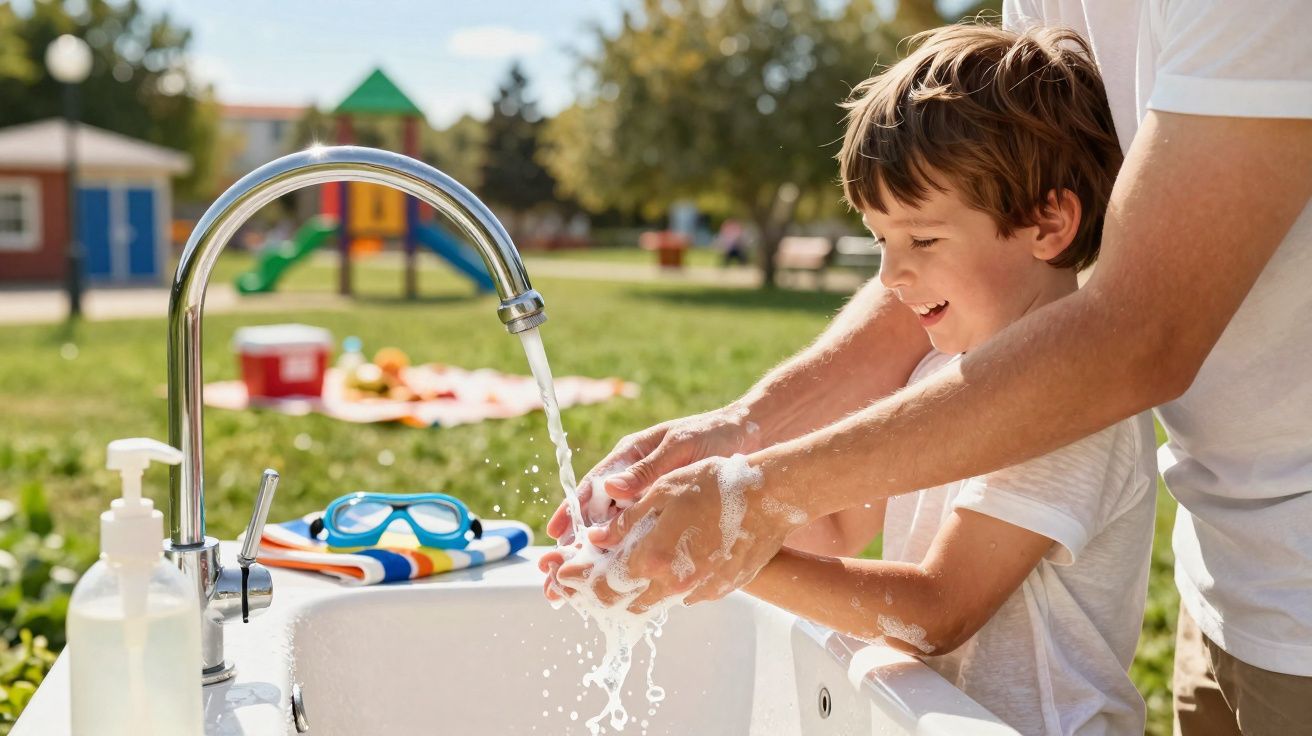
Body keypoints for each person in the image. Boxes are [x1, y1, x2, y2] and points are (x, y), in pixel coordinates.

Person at [549, 1, 1312, 732]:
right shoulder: (939, 373)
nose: (889, 278)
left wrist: (728, 544)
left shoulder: (1065, 411)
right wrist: (664, 529)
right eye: (881, 241)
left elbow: (938, 608)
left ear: (1049, 222)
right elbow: (838, 523)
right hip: (1183, 594)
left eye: (922, 242)